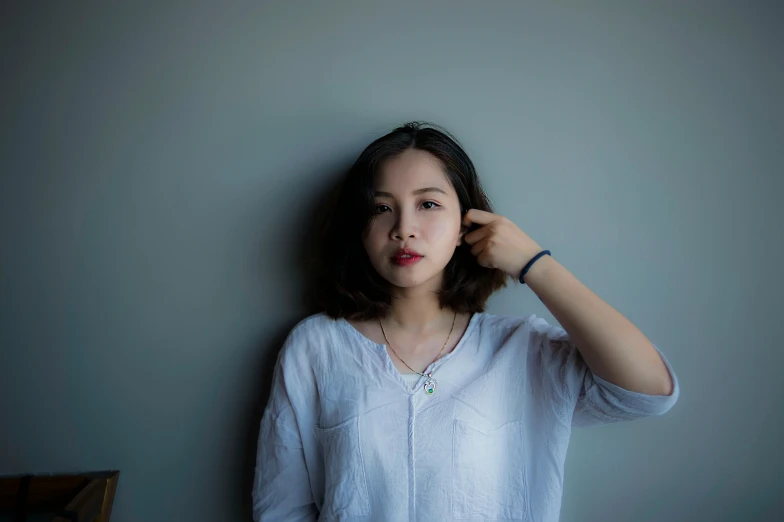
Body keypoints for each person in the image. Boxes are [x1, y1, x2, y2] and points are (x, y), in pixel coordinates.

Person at [252, 122, 679, 521]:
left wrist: (535, 264)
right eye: (381, 207)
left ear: (465, 223)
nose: (404, 228)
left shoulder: (522, 351)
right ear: (360, 228)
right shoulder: (316, 348)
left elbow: (648, 392)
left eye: (429, 204)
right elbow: (281, 507)